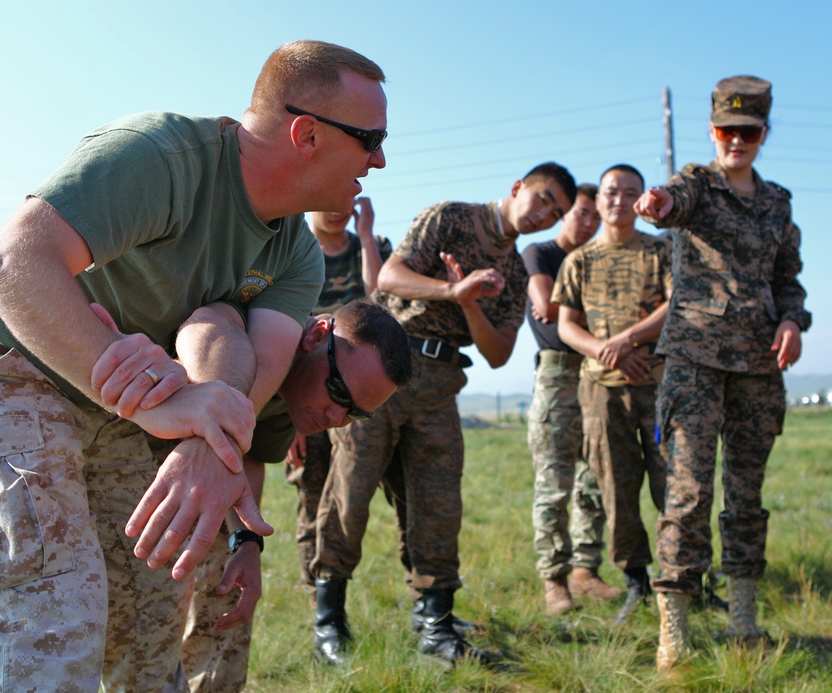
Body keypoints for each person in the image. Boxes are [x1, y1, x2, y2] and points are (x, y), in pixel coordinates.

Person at [0, 39, 388, 691]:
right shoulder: (164, 157)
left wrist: (209, 439)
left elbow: (251, 354)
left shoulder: (292, 250)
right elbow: (12, 266)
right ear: (306, 133)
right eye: (371, 138)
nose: (380, 159)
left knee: (153, 625)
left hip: (117, 401)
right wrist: (157, 402)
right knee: (50, 632)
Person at [311, 163, 576, 667]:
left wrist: (470, 304)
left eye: (556, 212)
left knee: (438, 505)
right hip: (380, 372)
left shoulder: (516, 270)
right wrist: (450, 290)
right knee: (350, 496)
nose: (544, 215)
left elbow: (498, 353)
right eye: (542, 199)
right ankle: (330, 621)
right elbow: (390, 275)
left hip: (439, 383)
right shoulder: (451, 218)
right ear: (518, 187)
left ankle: (434, 623)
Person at [634, 76, 811, 672]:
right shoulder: (697, 185)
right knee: (687, 494)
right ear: (712, 131)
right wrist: (657, 204)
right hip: (694, 362)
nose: (736, 140)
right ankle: (674, 631)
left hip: (759, 365)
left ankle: (743, 619)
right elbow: (671, 200)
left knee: (746, 495)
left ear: (763, 134)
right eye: (726, 130)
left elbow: (788, 276)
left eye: (749, 131)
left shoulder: (778, 202)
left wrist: (792, 320)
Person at [174, 300, 410, 692]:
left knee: (227, 596)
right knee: (146, 638)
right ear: (316, 336)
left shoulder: (297, 393)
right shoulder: (247, 342)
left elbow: (245, 456)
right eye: (337, 391)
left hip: (199, 479)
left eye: (356, 413)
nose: (337, 419)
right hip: (130, 448)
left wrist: (246, 541)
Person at [554, 164, 672, 625]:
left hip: (660, 387)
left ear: (641, 199)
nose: (618, 200)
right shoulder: (579, 260)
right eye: (610, 192)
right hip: (603, 391)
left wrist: (630, 340)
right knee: (616, 490)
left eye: (629, 192)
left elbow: (674, 303)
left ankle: (683, 577)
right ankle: (638, 582)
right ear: (598, 199)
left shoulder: (660, 251)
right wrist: (610, 353)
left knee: (674, 488)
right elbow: (566, 326)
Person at [284, 197, 392, 604]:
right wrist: (288, 418)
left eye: (345, 203)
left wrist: (365, 239)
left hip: (354, 393)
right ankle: (316, 595)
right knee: (311, 494)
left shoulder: (373, 246)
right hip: (306, 383)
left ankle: (331, 587)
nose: (337, 210)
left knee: (345, 496)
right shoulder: (295, 248)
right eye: (328, 202)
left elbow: (381, 307)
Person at [523, 183, 621, 615]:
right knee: (554, 483)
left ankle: (586, 570)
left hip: (598, 375)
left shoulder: (598, 260)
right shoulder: (540, 254)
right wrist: (594, 318)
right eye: (581, 212)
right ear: (566, 213)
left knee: (594, 480)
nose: (588, 222)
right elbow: (546, 308)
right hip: (558, 375)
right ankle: (554, 579)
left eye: (594, 216)